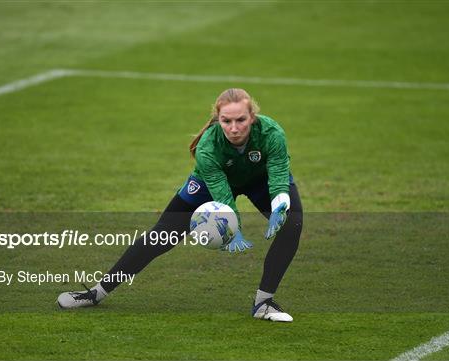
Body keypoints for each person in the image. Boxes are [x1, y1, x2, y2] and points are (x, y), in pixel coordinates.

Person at [57, 88, 303, 322]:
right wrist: (233, 230)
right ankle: (96, 292)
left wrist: (280, 205)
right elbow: (222, 194)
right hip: (211, 183)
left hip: (260, 179)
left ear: (252, 117)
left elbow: (279, 173)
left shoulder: (272, 133)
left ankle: (264, 303)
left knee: (293, 222)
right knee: (161, 236)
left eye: (241, 120)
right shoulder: (208, 145)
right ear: (218, 119)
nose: (234, 128)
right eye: (226, 121)